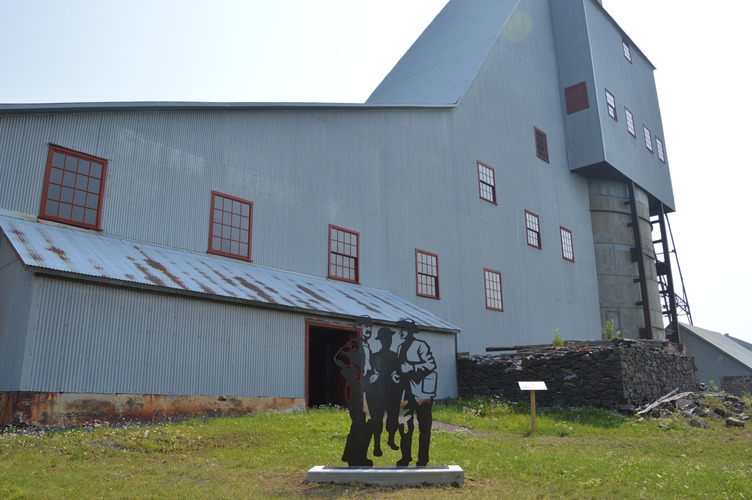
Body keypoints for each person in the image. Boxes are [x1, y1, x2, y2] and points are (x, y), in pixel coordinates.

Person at [392, 318, 437, 467]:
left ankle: (423, 460)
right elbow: (400, 368)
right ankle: (405, 458)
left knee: (424, 428)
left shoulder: (420, 345)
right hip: (406, 393)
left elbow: (431, 364)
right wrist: (396, 374)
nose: (401, 332)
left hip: (422, 393)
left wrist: (410, 368)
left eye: (404, 329)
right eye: (400, 329)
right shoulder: (400, 347)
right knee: (404, 426)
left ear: (410, 331)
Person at [333, 315, 374, 466]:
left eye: (369, 327)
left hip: (362, 388)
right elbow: (338, 358)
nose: (368, 330)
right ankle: (355, 457)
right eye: (365, 327)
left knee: (361, 423)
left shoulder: (366, 346)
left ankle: (353, 455)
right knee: (359, 422)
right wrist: (350, 370)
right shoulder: (355, 344)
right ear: (358, 328)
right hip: (354, 389)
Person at [366, 327, 401, 457]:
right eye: (385, 339)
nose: (388, 341)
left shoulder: (396, 357)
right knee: (377, 418)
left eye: (389, 338)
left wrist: (397, 378)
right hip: (378, 393)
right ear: (381, 340)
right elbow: (369, 373)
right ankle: (377, 445)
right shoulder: (374, 357)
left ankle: (391, 439)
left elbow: (400, 373)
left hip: (392, 393)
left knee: (393, 417)